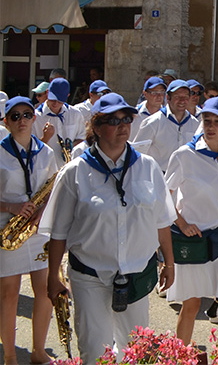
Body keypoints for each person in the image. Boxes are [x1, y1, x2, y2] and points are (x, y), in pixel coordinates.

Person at [41, 92, 176, 364]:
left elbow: (161, 221)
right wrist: (53, 276)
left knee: (137, 351)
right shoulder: (75, 171)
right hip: (90, 274)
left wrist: (169, 264)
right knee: (94, 350)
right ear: (97, 127)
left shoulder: (147, 167)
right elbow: (59, 232)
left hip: (136, 274)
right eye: (114, 120)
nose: (123, 125)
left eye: (127, 119)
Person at [165, 96, 218, 344]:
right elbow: (164, 197)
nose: (210, 126)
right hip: (196, 239)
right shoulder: (183, 156)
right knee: (192, 304)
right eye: (206, 120)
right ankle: (179, 358)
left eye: (217, 122)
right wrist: (181, 223)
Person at [0, 96, 57, 364]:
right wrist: (11, 207)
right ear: (6, 122)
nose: (22, 120)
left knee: (44, 291)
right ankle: (10, 355)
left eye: (27, 114)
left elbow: (52, 189)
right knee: (9, 294)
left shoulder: (45, 152)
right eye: (15, 116)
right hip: (7, 231)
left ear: (34, 118)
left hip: (37, 229)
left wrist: (40, 213)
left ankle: (38, 350)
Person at [133, 80, 199, 169]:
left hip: (185, 178)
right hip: (158, 177)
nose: (182, 101)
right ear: (168, 98)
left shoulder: (195, 124)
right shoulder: (153, 122)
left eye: (186, 97)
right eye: (177, 97)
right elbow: (138, 154)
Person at [32, 78, 82, 164]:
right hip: (46, 169)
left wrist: (71, 146)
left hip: (69, 167)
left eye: (60, 100)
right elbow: (31, 149)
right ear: (47, 92)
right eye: (52, 99)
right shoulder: (35, 117)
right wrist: (45, 138)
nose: (55, 103)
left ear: (68, 96)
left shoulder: (75, 114)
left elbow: (82, 139)